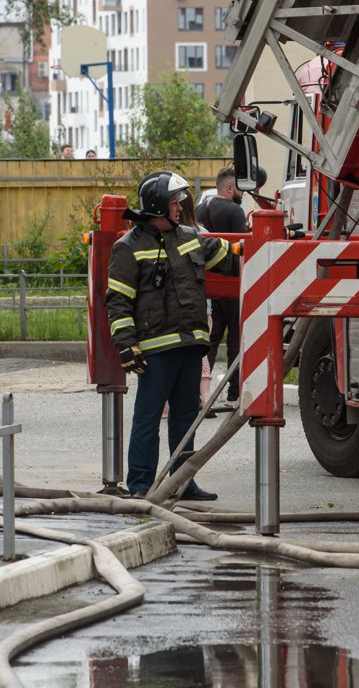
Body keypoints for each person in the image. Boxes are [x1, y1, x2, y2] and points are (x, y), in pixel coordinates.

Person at [106, 171, 237, 501]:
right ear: (157, 206)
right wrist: (126, 346)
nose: (180, 206)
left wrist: (269, 245)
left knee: (185, 419)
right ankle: (140, 487)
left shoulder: (190, 236)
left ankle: (182, 482)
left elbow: (232, 256)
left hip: (191, 346)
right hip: (156, 349)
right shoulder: (128, 247)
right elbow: (118, 301)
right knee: (148, 418)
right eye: (174, 201)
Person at [195, 167, 247, 405]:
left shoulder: (199, 210)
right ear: (229, 188)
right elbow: (242, 250)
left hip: (207, 283)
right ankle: (234, 394)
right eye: (239, 187)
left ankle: (199, 391)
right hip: (232, 282)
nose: (241, 192)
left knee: (211, 337)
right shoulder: (235, 210)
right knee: (235, 338)